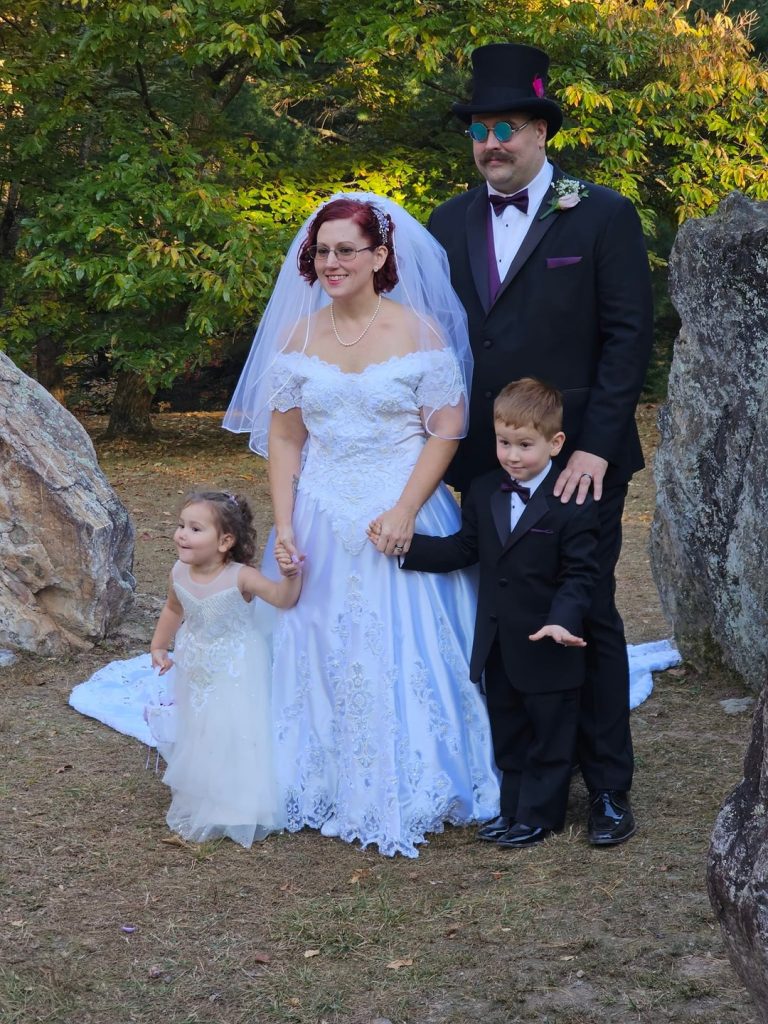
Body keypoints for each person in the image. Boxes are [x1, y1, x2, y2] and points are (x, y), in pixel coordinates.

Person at [223, 194, 499, 858]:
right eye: (322, 250)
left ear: (380, 256)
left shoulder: (418, 332)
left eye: (347, 249)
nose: (332, 261)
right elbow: (286, 439)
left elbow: (447, 429)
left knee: (409, 648)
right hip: (319, 516)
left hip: (401, 509)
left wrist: (405, 509)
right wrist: (285, 526)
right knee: (313, 644)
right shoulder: (299, 338)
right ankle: (318, 774)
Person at [428, 43, 654, 845]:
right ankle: (529, 786)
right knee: (505, 617)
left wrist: (590, 448)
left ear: (540, 130)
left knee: (584, 609)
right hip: (487, 456)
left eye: (508, 127)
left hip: (576, 456)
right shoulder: (446, 222)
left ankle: (610, 788)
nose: (492, 142)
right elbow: (433, 339)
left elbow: (629, 337)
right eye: (480, 128)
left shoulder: (601, 212)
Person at [379, 379, 600, 846]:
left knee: (549, 736)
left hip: (550, 640)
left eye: (525, 445)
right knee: (510, 729)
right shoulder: (484, 490)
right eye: (504, 443)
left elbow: (581, 575)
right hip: (498, 640)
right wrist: (405, 548)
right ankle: (512, 808)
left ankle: (540, 816)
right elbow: (465, 548)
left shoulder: (573, 503)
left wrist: (562, 619)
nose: (512, 456)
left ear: (555, 442)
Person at [150, 491, 301, 848]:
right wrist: (159, 645)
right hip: (196, 661)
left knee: (233, 727)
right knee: (201, 726)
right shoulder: (178, 572)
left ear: (225, 541)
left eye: (195, 528)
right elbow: (173, 610)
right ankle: (207, 790)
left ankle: (240, 802)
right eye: (181, 525)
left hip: (236, 665)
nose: (181, 534)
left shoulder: (242, 578)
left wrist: (291, 575)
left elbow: (283, 599)